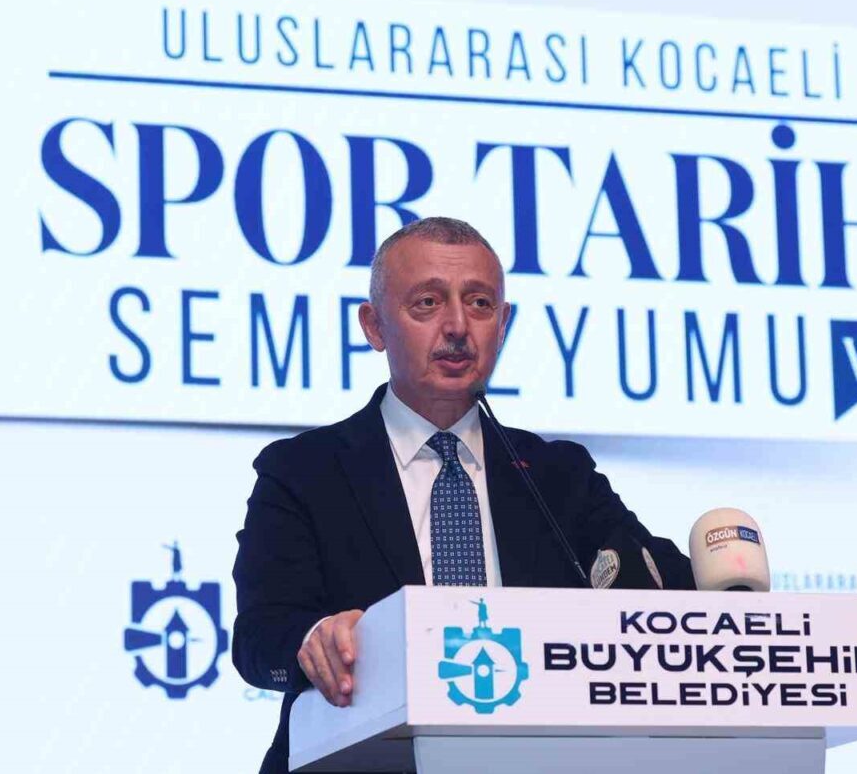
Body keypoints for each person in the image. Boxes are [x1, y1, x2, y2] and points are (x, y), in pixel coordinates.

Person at [232, 217, 692, 774]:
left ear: (504, 323)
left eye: (479, 304)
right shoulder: (305, 470)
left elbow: (654, 582)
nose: (457, 327)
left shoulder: (558, 475)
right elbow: (258, 639)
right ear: (374, 327)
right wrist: (313, 641)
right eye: (427, 303)